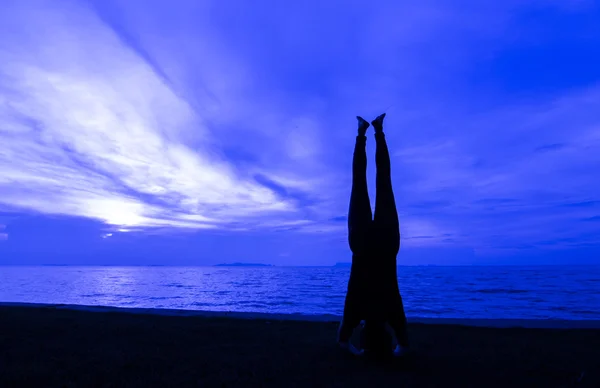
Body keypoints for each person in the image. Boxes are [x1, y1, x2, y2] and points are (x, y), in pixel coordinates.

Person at [337, 113, 411, 359]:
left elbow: (402, 345)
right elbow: (344, 342)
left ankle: (376, 131)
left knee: (383, 182)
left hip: (387, 243)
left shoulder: (393, 311)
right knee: (361, 183)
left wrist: (393, 348)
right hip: (362, 243)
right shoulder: (355, 310)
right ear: (364, 331)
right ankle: (363, 133)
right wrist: (357, 350)